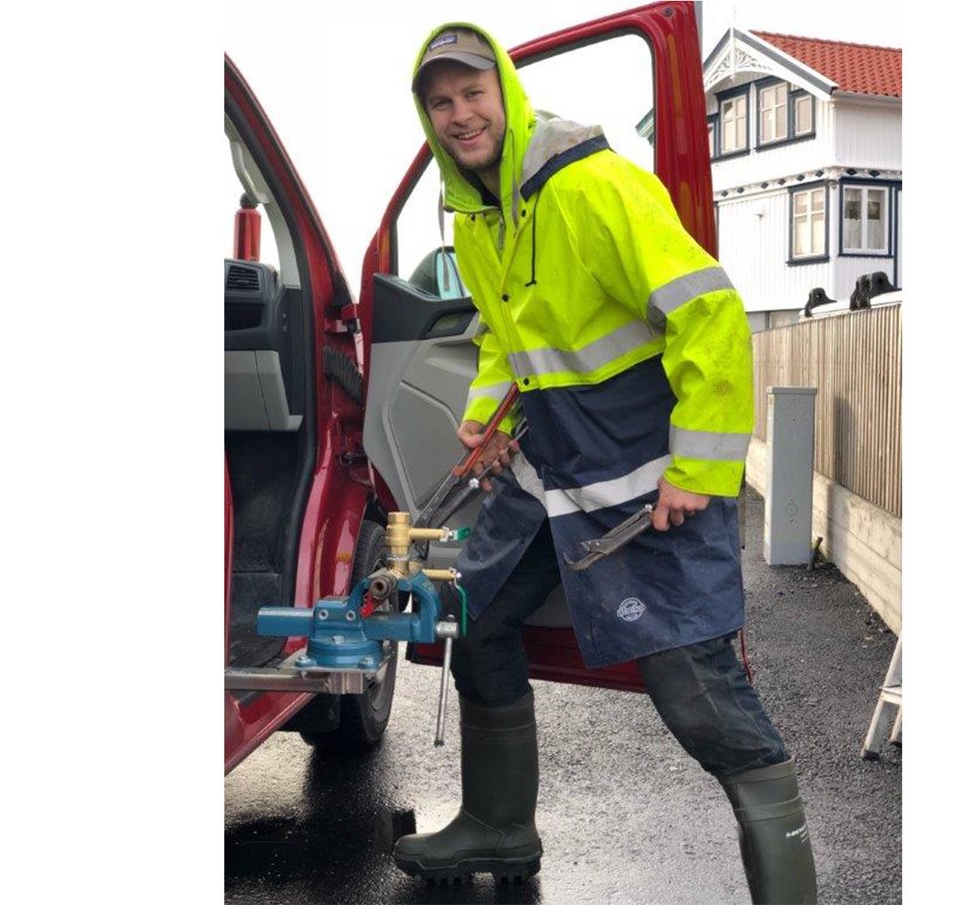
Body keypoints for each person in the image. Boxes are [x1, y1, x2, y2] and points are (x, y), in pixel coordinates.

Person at [393, 23, 819, 904]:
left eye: (472, 94)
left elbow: (708, 312)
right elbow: (505, 336)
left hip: (640, 479)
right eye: (441, 103)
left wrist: (700, 468)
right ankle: (499, 824)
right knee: (476, 619)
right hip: (548, 472)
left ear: (505, 95)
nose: (460, 114)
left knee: (697, 695)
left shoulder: (592, 186)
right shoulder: (476, 218)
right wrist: (484, 417)